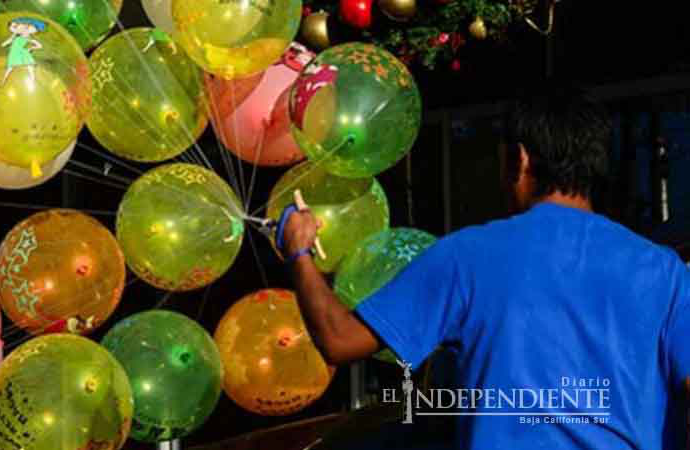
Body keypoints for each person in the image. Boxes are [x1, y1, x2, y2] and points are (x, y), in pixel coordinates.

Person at [278, 82, 690, 448]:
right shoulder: (662, 271)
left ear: (521, 160)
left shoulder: (466, 257)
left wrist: (299, 251)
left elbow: (338, 339)